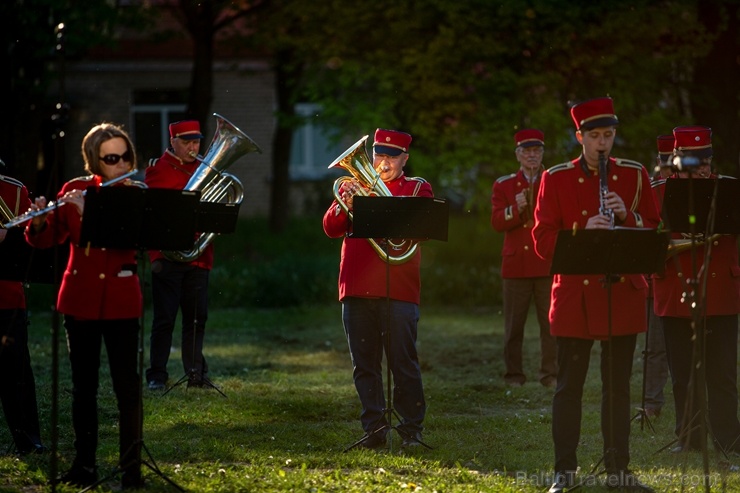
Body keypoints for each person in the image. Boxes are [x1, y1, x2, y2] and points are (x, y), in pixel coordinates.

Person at [532, 97, 659, 493]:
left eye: (608, 136)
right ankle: (563, 472)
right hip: (574, 296)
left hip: (621, 293)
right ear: (579, 137)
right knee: (569, 387)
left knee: (618, 387)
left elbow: (653, 230)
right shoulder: (555, 178)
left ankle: (618, 470)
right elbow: (541, 240)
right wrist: (582, 231)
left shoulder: (635, 175)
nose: (602, 144)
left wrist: (628, 217)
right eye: (594, 136)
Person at [24, 123, 143, 489]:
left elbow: (130, 240)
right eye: (112, 158)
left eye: (125, 156)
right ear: (95, 160)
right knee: (83, 387)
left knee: (128, 387)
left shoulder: (138, 194)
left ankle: (131, 470)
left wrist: (90, 214)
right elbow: (45, 241)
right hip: (80, 300)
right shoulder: (73, 191)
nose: (121, 164)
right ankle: (84, 465)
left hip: (123, 301)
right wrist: (41, 219)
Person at [322, 128, 432, 449]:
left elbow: (424, 226)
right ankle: (374, 429)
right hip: (356, 287)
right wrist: (347, 201)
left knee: (403, 362)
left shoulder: (416, 188)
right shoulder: (351, 186)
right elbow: (331, 228)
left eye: (391, 156)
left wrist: (379, 202)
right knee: (364, 364)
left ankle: (411, 428)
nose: (383, 162)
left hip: (398, 287)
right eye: (379, 155)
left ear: (405, 159)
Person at [651, 125, 740, 454]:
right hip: (676, 291)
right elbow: (648, 241)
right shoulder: (659, 192)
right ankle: (690, 437)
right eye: (694, 161)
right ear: (677, 160)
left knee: (722, 371)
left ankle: (729, 436)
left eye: (707, 160)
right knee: (684, 373)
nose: (703, 167)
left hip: (720, 292)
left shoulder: (727, 190)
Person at [145, 120, 212, 390]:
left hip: (199, 256)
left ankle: (196, 373)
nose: (193, 147)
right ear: (173, 141)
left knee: (197, 317)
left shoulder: (206, 169)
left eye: (196, 142)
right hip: (168, 257)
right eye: (187, 142)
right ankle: (157, 375)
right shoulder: (157, 170)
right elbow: (155, 216)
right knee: (165, 318)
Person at [491, 128, 557, 388]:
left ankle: (550, 374)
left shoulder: (553, 180)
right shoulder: (504, 184)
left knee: (550, 325)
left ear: (542, 154)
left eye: (537, 151)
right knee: (514, 327)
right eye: (527, 151)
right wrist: (514, 209)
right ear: (518, 155)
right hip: (516, 264)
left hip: (546, 262)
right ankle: (514, 375)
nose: (532, 156)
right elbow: (496, 222)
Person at [0, 172, 45, 456]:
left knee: (16, 371)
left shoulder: (12, 190)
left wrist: (16, 232)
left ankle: (28, 439)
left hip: (6, 297)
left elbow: (34, 239)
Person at [640, 135, 673, 420]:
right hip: (656, 279)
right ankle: (652, 403)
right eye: (663, 164)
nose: (667, 170)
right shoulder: (650, 191)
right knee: (655, 348)